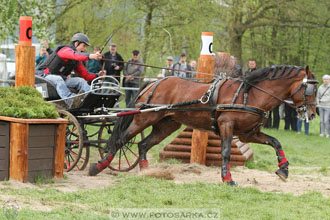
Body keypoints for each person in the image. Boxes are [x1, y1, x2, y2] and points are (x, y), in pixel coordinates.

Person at [37, 33, 105, 108]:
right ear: (76, 43)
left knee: (80, 81)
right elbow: (74, 55)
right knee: (58, 79)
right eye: (84, 46)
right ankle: (72, 100)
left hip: (61, 80)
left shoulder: (76, 61)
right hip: (46, 77)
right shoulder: (65, 50)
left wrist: (97, 75)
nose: (85, 49)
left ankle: (93, 99)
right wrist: (92, 56)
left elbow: (86, 75)